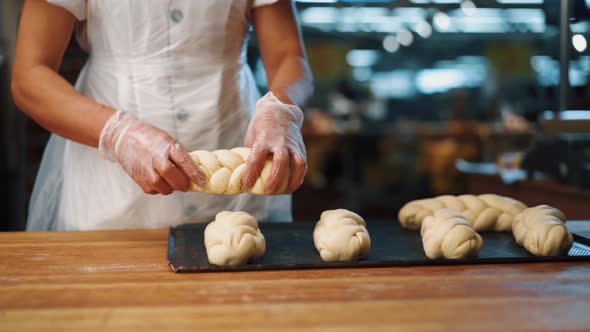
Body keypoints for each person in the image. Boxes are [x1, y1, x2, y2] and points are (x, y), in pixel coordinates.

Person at [11, 0, 313, 230]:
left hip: (234, 151)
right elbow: (29, 75)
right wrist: (119, 133)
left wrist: (279, 110)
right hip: (108, 183)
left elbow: (289, 56)